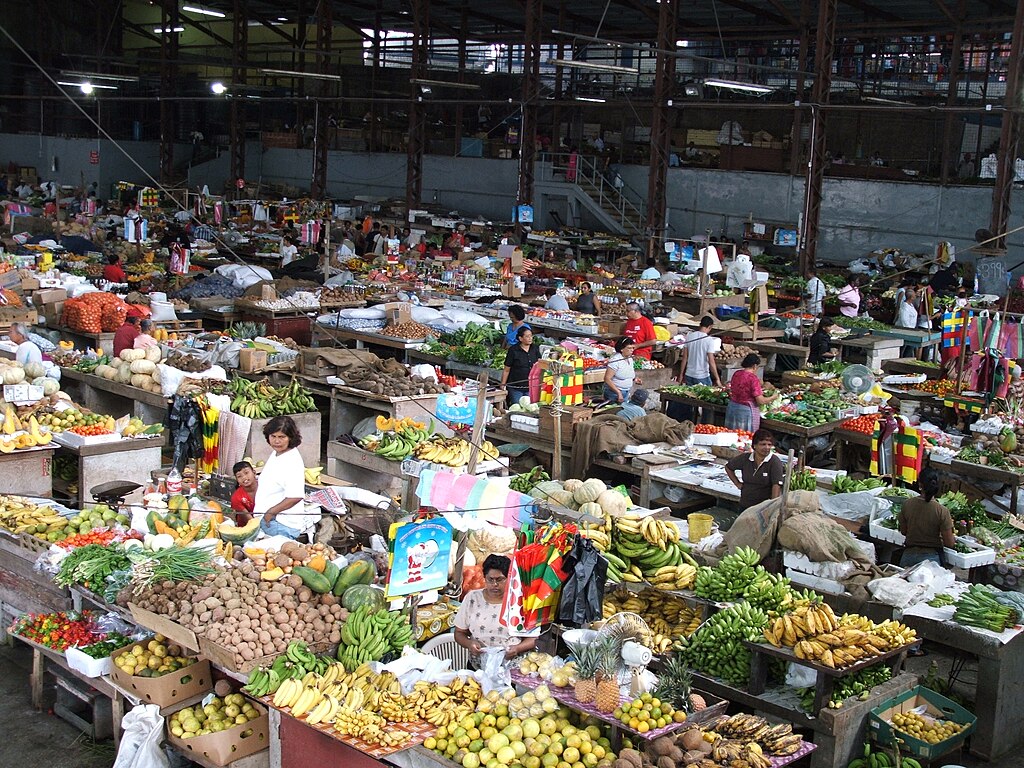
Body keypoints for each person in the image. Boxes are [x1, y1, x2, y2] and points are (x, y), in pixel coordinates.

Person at [454, 554, 537, 669]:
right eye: (490, 579)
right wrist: (469, 644)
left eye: (500, 579)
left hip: (511, 668)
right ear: (485, 578)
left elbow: (534, 638)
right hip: (478, 667)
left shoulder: (519, 601)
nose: (495, 585)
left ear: (509, 578)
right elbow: (459, 633)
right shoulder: (472, 598)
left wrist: (517, 648)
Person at [253, 415, 317, 539]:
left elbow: (295, 496)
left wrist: (270, 513)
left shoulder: (291, 461)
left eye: (282, 437)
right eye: (273, 436)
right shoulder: (277, 453)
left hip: (280, 524)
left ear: (290, 438)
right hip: (268, 521)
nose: (277, 441)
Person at [899, 468, 955, 568]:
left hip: (908, 556)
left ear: (920, 485)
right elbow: (949, 543)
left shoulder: (907, 504)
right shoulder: (942, 511)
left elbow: (903, 531)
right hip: (930, 560)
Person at [725, 429, 784, 510]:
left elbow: (776, 485)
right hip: (745, 504)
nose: (767, 447)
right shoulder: (745, 458)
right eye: (763, 444)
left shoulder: (774, 461)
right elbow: (728, 467)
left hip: (763, 508)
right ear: (754, 445)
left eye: (769, 445)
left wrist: (772, 506)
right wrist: (737, 484)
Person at [725, 353, 775, 432]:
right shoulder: (753, 378)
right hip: (745, 412)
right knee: (745, 436)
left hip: (732, 408)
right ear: (755, 366)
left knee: (732, 435)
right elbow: (760, 400)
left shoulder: (737, 373)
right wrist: (773, 397)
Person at [500, 326, 540, 406]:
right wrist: (502, 384)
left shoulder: (535, 349)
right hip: (515, 387)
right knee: (517, 407)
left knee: (528, 408)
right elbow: (506, 369)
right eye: (527, 336)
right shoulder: (513, 350)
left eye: (531, 336)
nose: (530, 338)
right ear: (520, 338)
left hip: (530, 386)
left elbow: (539, 365)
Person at [679, 316, 721, 387]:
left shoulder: (689, 337)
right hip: (702, 376)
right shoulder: (709, 340)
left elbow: (684, 358)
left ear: (700, 325)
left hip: (689, 374)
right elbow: (711, 362)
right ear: (710, 327)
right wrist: (717, 378)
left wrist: (681, 375)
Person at [604, 337, 640, 404]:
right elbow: (607, 379)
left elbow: (627, 373)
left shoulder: (630, 359)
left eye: (633, 348)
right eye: (629, 348)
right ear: (622, 349)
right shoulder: (615, 361)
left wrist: (634, 379)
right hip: (614, 393)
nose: (632, 350)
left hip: (626, 392)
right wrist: (618, 392)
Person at [230, 461, 258, 526]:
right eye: (239, 476)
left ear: (254, 472)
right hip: (248, 528)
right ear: (237, 480)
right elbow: (251, 522)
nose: (244, 477)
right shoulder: (236, 498)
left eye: (246, 473)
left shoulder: (265, 485)